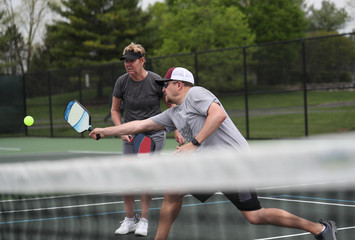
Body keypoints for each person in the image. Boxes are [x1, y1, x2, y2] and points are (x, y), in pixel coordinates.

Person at [90, 67, 338, 240]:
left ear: (179, 84)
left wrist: (194, 144)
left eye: (165, 85)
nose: (162, 90)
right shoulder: (173, 114)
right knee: (174, 191)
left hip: (234, 162)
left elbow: (217, 115)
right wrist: (105, 130)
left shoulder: (196, 93)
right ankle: (319, 229)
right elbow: (138, 125)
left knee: (254, 216)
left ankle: (319, 228)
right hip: (213, 165)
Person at [110, 43, 185, 237]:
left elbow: (171, 106)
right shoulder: (121, 82)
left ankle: (143, 221)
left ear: (142, 61)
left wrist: (176, 128)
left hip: (154, 133)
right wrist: (120, 131)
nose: (128, 64)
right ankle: (129, 220)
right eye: (126, 61)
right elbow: (115, 110)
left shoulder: (155, 81)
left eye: (132, 61)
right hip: (130, 133)